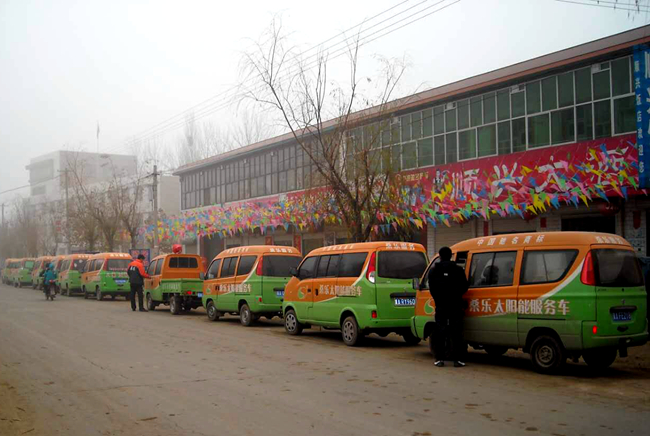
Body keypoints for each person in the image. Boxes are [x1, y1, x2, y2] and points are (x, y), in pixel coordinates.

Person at [426, 246, 469, 368]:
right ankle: (458, 359)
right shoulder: (458, 270)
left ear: (440, 256)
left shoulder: (433, 271)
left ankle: (439, 359)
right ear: (451, 256)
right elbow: (464, 286)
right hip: (455, 305)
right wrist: (457, 295)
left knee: (440, 331)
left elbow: (432, 288)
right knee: (456, 332)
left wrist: (438, 299)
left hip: (441, 305)